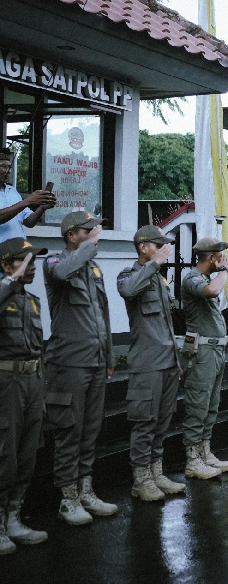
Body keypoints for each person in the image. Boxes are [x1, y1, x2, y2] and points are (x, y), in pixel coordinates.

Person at [42, 212, 118, 522]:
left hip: (96, 360)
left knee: (90, 430)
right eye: (88, 230)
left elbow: (103, 316)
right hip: (69, 362)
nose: (95, 233)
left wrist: (109, 357)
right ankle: (68, 498)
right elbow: (63, 273)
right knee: (69, 430)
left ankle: (86, 491)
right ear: (71, 235)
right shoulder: (54, 262)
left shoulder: (93, 268)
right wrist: (90, 245)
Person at [116, 226, 185, 501]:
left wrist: (176, 360)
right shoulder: (130, 274)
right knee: (145, 423)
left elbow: (167, 325)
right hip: (147, 364)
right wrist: (154, 264)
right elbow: (128, 290)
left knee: (162, 423)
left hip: (167, 362)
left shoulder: (158, 278)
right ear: (143, 247)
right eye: (159, 245)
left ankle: (156, 473)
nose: (164, 250)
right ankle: (141, 480)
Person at [0, 239, 48, 554]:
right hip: (7, 383)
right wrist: (10, 281)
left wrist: (41, 389)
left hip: (32, 381)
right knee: (4, 454)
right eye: (26, 261)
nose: (32, 267)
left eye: (34, 261)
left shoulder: (32, 301)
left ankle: (13, 519)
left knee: (27, 454)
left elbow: (38, 347)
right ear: (6, 265)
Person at [180, 237, 228, 479]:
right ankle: (192, 460)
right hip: (201, 352)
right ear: (211, 257)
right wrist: (224, 270)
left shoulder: (205, 278)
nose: (224, 259)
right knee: (198, 405)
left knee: (211, 405)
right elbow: (212, 291)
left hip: (215, 351)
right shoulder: (192, 278)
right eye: (220, 256)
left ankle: (205, 452)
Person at [0, 148, 56, 242]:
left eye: (10, 167)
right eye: (4, 166)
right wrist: (27, 201)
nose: (9, 171)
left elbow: (29, 222)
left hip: (19, 249)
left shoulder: (12, 191)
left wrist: (42, 207)